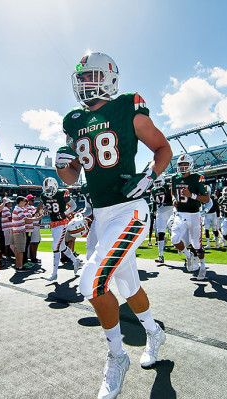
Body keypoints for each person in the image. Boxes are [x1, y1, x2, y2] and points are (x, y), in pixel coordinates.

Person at [56, 52, 172, 399]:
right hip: (101, 215)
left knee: (91, 282)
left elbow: (163, 148)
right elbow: (72, 176)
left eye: (91, 76)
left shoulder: (127, 105)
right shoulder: (73, 120)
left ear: (108, 76)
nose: (84, 83)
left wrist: (150, 177)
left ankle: (117, 357)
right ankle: (153, 332)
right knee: (128, 284)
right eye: (81, 78)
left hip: (129, 210)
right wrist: (63, 165)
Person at [170, 154, 210, 279]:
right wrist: (173, 198)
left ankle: (202, 267)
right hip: (180, 214)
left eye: (185, 165)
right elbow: (172, 192)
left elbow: (207, 198)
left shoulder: (197, 178)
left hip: (194, 214)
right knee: (174, 239)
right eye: (180, 165)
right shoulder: (174, 178)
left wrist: (191, 195)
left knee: (196, 244)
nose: (182, 168)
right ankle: (188, 256)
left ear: (190, 165)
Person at [40, 177, 81, 281]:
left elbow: (73, 206)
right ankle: (75, 260)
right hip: (53, 223)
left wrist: (65, 213)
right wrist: (45, 210)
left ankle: (54, 273)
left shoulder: (62, 193)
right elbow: (47, 207)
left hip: (62, 223)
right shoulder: (43, 196)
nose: (47, 192)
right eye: (46, 190)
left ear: (54, 187)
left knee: (55, 246)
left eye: (49, 189)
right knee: (62, 247)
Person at [150, 174, 173, 263]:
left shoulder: (168, 186)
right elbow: (155, 202)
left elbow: (173, 197)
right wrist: (153, 211)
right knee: (160, 233)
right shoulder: (153, 190)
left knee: (173, 230)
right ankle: (161, 255)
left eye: (159, 182)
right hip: (160, 211)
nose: (158, 184)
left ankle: (183, 249)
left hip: (170, 210)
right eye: (156, 182)